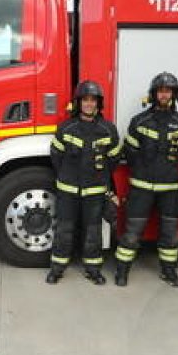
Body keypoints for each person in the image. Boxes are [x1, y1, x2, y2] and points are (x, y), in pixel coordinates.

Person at [112, 72, 178, 287]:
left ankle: (169, 271)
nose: (164, 94)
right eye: (161, 90)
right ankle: (122, 271)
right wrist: (145, 169)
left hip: (170, 189)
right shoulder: (139, 121)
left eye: (168, 91)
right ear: (154, 94)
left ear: (174, 95)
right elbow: (130, 151)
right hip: (141, 188)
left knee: (170, 235)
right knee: (132, 233)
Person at [47, 80, 121, 285]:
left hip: (95, 191)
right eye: (85, 100)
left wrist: (99, 180)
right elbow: (56, 157)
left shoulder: (108, 130)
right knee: (64, 229)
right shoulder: (66, 128)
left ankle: (93, 269)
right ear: (78, 103)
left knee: (93, 231)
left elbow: (113, 160)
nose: (89, 104)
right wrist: (68, 177)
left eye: (93, 100)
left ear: (98, 104)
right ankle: (57, 268)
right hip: (68, 190)